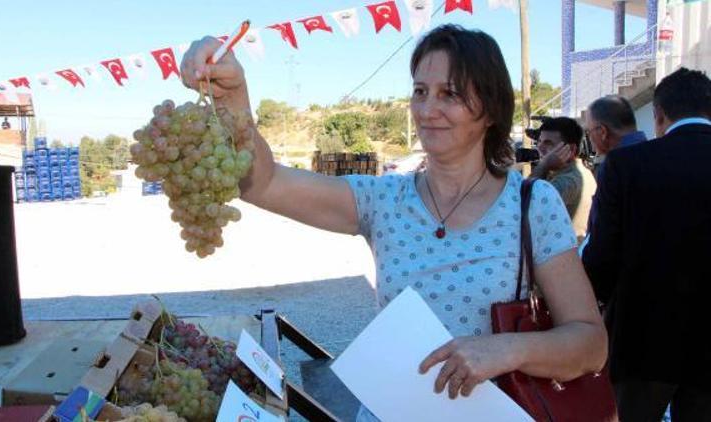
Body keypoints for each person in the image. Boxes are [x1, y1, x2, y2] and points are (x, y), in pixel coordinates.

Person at [181, 24, 606, 409]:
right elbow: (264, 183)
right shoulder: (383, 200)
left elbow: (590, 343)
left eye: (450, 93)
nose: (427, 109)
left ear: (492, 109)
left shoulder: (533, 203)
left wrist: (506, 349)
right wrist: (232, 95)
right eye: (420, 91)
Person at [582, 67, 711, 422]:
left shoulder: (626, 165)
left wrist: (596, 304)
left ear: (658, 115)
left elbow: (602, 255)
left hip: (642, 338)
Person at [528, 117, 596, 241]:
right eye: (539, 142)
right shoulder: (578, 171)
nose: (540, 148)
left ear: (571, 149)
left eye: (548, 143)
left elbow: (525, 202)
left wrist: (544, 165)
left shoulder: (568, 181)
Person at [583, 95, 647, 177]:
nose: (590, 139)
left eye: (589, 132)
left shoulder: (611, 169)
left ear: (603, 132)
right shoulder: (661, 153)